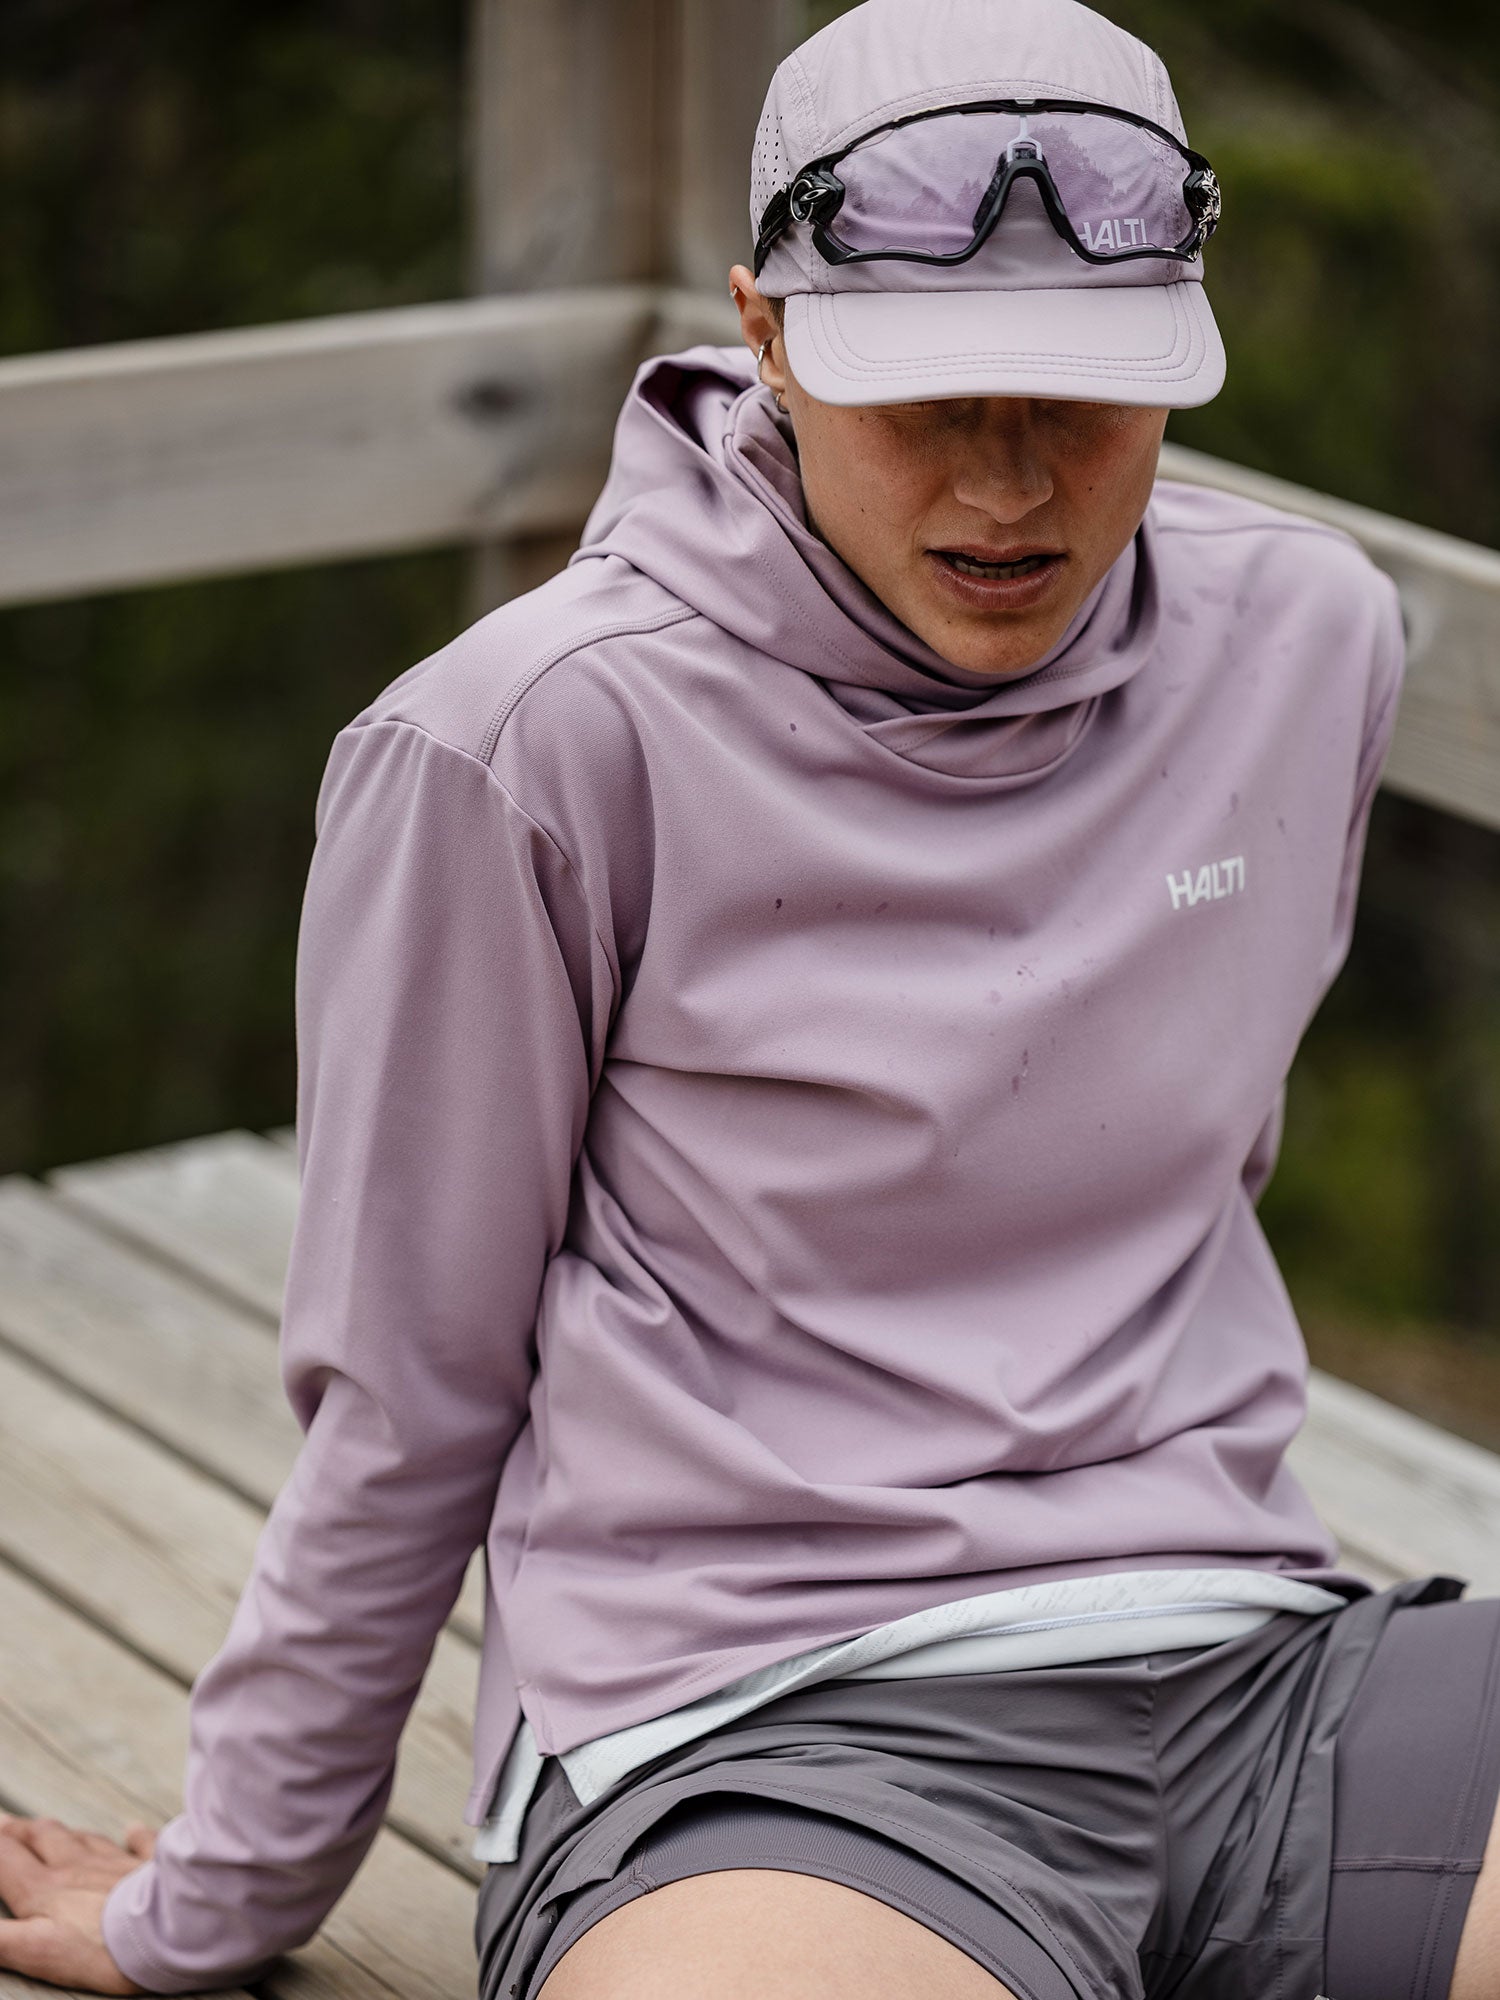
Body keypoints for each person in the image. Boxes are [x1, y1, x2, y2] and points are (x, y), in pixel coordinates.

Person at [1, 0, 1497, 1995]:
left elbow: (1185, 1162)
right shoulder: (525, 745)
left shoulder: (1304, 638)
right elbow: (408, 1390)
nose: (1010, 481)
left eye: (1084, 393)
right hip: (765, 1747)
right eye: (928, 392)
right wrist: (219, 1891)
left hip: (1261, 1659)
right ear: (769, 332)